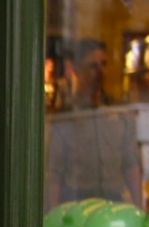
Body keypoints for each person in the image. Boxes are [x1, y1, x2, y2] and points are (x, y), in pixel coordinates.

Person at [47, 38, 142, 207]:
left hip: (113, 202)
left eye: (103, 64)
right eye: (92, 66)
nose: (100, 71)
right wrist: (50, 217)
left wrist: (139, 208)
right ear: (76, 69)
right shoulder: (65, 118)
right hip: (76, 202)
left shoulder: (120, 114)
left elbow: (131, 164)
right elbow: (54, 174)